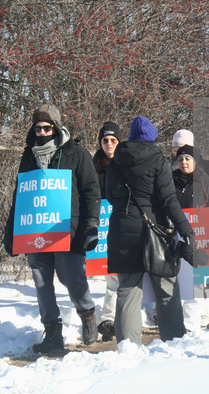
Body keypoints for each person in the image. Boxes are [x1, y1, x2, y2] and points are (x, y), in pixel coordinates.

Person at [4, 104, 100, 352]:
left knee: (71, 277)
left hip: (67, 228)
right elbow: (20, 195)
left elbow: (91, 191)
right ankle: (52, 332)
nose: (43, 132)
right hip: (34, 230)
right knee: (41, 281)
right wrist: (11, 232)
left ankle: (87, 312)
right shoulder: (29, 156)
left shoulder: (77, 154)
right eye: (38, 128)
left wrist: (91, 224)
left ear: (57, 128)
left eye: (47, 128)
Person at [106, 116, 194, 344]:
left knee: (127, 289)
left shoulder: (116, 160)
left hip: (122, 229)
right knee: (166, 288)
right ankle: (174, 342)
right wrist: (186, 230)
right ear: (152, 137)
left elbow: (108, 193)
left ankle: (127, 346)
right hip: (156, 231)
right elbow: (169, 200)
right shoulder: (158, 161)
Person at [172, 145, 209, 331]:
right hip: (177, 236)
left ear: (195, 161)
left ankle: (191, 325)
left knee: (195, 280)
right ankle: (199, 315)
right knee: (182, 280)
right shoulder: (171, 181)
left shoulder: (206, 181)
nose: (184, 163)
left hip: (201, 237)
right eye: (180, 160)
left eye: (188, 159)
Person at [92, 121, 122, 342]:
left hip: (124, 222)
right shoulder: (94, 165)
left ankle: (123, 317)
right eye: (105, 140)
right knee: (111, 275)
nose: (109, 144)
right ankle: (109, 320)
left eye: (113, 140)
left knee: (124, 276)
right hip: (102, 225)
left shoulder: (127, 163)